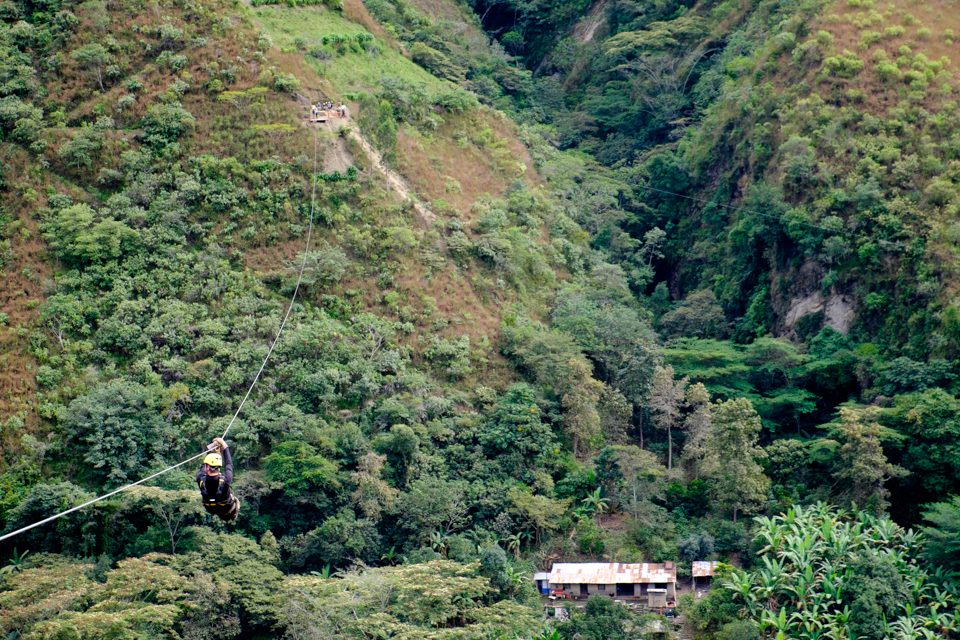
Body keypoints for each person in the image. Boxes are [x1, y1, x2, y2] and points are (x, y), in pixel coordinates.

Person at [197, 437, 240, 522]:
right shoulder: (226, 478)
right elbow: (229, 464)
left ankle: (226, 516)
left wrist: (211, 449)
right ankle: (231, 515)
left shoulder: (200, 478)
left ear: (208, 467)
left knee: (223, 510)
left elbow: (204, 465)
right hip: (226, 507)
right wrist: (224, 445)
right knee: (235, 503)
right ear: (219, 467)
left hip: (211, 508)